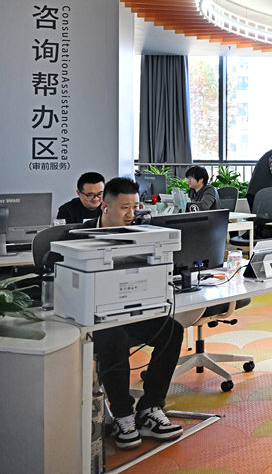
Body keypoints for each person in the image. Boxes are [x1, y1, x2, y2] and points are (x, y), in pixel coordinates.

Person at [90, 177, 184, 448]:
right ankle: (123, 415)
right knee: (113, 337)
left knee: (172, 330)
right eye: (124, 208)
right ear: (105, 206)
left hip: (136, 310)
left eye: (135, 207)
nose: (131, 214)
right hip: (97, 319)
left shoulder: (142, 233)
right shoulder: (80, 237)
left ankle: (150, 407)